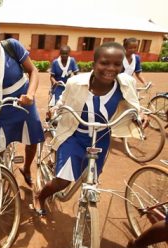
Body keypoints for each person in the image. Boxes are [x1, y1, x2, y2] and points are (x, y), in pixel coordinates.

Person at [33, 42, 141, 220]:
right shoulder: (75, 83)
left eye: (116, 64)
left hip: (101, 140)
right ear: (94, 64)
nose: (110, 68)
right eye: (104, 63)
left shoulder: (126, 84)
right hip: (74, 136)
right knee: (63, 181)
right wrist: (55, 110)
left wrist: (140, 114)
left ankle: (88, 206)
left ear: (122, 66)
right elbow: (63, 101)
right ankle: (40, 196)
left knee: (91, 178)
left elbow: (134, 103)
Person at [0, 17, 44, 187]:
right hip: (0, 103)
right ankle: (1, 174)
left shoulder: (12, 46)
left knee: (33, 136)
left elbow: (33, 70)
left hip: (23, 100)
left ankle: (26, 168)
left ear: (0, 37)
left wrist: (31, 94)